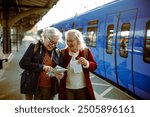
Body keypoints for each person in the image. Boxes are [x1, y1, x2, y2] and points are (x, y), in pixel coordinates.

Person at [19, 27, 63, 100]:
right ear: (44, 37)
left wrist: (60, 75)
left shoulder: (58, 52)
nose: (52, 45)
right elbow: (23, 63)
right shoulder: (34, 47)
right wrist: (42, 67)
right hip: (33, 86)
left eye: (55, 43)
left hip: (49, 88)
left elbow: (59, 68)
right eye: (51, 41)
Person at [58, 29, 97, 100]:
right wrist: (58, 73)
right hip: (67, 88)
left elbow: (94, 66)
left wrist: (86, 63)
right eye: (67, 40)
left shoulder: (85, 51)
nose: (69, 43)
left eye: (71, 40)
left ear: (78, 40)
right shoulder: (63, 52)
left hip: (83, 88)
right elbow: (58, 68)